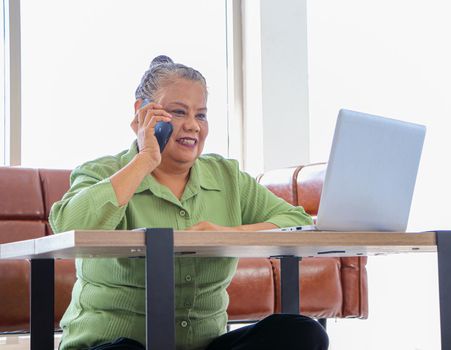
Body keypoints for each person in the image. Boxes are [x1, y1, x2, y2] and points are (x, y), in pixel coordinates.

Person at [50, 55, 329, 350]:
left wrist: (227, 235)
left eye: (201, 115)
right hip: (113, 346)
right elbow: (68, 226)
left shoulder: (227, 177)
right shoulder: (102, 172)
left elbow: (295, 222)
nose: (193, 126)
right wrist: (144, 160)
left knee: (302, 333)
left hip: (204, 345)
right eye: (179, 112)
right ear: (142, 113)